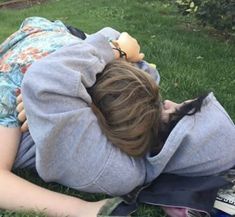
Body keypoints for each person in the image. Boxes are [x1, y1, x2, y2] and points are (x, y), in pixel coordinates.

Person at [1, 16, 235, 217]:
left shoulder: (11, 96)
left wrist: (117, 49)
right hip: (48, 36)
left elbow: (47, 80)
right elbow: (126, 47)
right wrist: (45, 108)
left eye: (173, 111)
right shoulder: (143, 95)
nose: (167, 102)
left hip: (28, 53)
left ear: (173, 142)